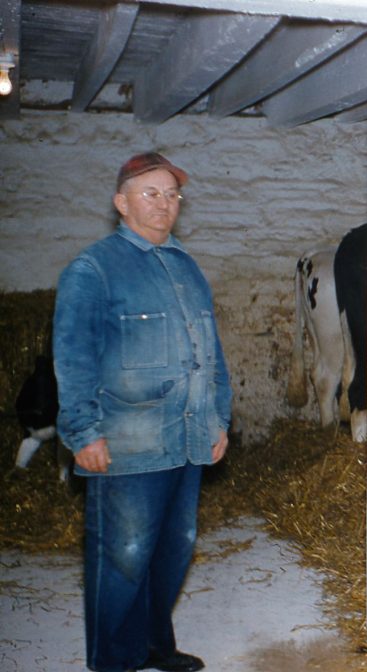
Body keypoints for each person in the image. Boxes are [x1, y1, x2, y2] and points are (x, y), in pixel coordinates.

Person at [53, 152, 232, 672]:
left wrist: (219, 417)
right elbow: (73, 356)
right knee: (124, 556)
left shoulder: (185, 265)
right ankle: (113, 660)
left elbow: (212, 351)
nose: (164, 204)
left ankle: (154, 645)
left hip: (189, 436)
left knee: (174, 549)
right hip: (129, 441)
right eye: (150, 193)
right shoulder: (93, 269)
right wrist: (83, 432)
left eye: (172, 195)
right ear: (121, 203)